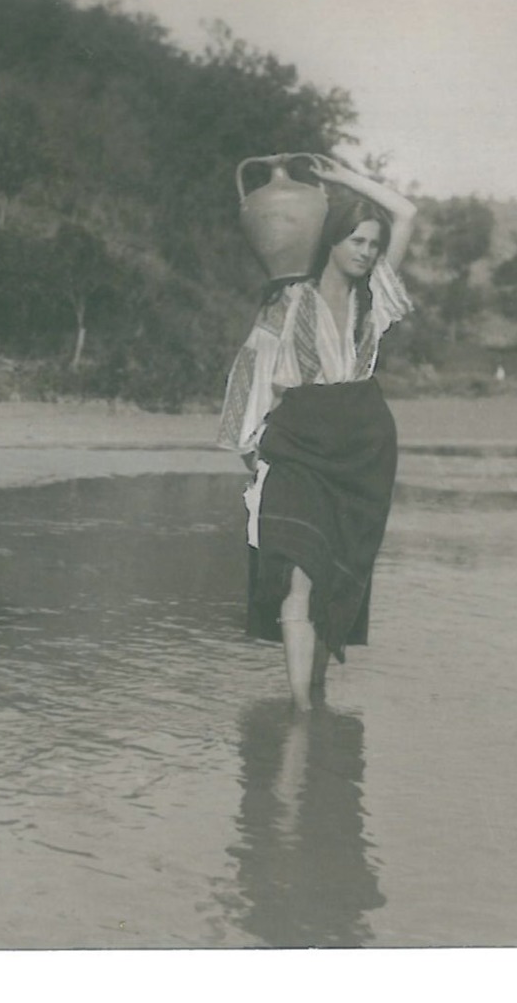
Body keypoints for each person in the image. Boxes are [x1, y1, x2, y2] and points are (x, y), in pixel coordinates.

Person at [217, 156, 418, 711]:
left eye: (373, 245)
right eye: (355, 240)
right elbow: (253, 372)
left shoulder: (372, 301)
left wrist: (345, 180)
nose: (366, 252)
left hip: (361, 449)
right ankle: (303, 713)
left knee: (338, 573)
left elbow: (406, 213)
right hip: (301, 443)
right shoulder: (289, 300)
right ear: (330, 239)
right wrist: (249, 452)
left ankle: (316, 701)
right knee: (299, 571)